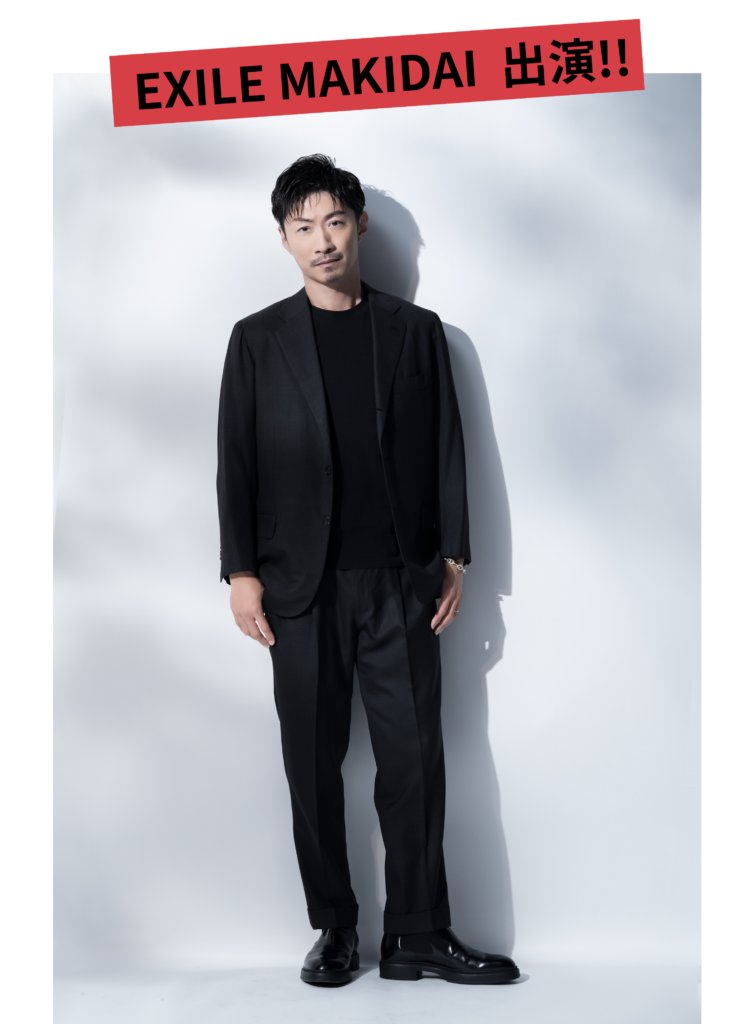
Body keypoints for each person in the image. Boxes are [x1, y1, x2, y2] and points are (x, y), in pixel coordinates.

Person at [216, 154, 520, 986]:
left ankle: (419, 931)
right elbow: (235, 460)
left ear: (358, 227)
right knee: (312, 766)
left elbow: (451, 445)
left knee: (415, 760)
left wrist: (454, 555)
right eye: (303, 226)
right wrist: (240, 572)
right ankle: (336, 929)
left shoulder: (417, 333)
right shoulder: (256, 340)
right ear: (284, 239)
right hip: (299, 587)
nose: (322, 240)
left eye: (334, 222)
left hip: (399, 581)